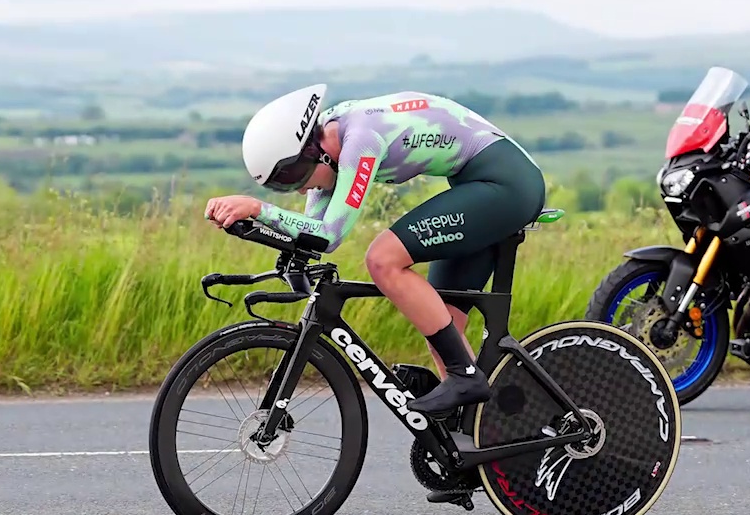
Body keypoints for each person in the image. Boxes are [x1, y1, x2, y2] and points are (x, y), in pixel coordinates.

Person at [203, 85, 547, 414]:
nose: (299, 190)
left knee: (383, 259)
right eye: (283, 186)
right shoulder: (329, 141)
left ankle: (466, 377)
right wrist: (283, 247)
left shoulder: (361, 140)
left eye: (294, 178)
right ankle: (478, 432)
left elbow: (328, 235)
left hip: (507, 185)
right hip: (480, 185)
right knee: (441, 322)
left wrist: (257, 208)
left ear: (313, 153)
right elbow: (311, 231)